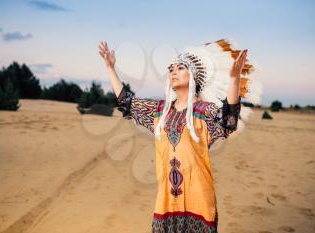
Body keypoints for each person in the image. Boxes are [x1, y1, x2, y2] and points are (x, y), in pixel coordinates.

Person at [98, 39, 259, 233]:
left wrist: (234, 79)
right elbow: (127, 103)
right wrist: (110, 68)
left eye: (180, 67)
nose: (173, 71)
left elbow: (229, 120)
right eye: (171, 68)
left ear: (193, 76)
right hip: (166, 204)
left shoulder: (205, 111)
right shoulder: (159, 112)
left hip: (198, 203)